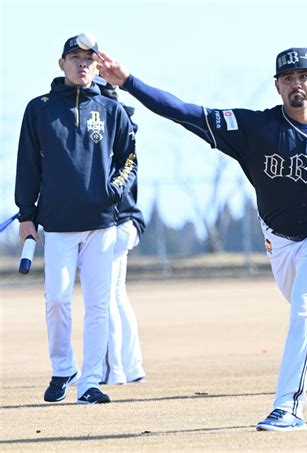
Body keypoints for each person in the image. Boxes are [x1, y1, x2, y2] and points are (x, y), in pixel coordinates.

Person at [96, 46, 307, 431]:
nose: (297, 84)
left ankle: (289, 407)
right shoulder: (254, 128)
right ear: (277, 86)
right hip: (280, 238)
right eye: (288, 79)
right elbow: (185, 112)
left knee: (305, 307)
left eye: (304, 76)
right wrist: (129, 83)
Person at [14, 34, 138, 404]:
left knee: (99, 304)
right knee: (57, 299)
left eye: (89, 59)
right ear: (62, 64)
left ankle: (90, 381)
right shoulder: (40, 109)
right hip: (57, 223)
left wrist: (113, 191)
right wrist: (26, 213)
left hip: (102, 222)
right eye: (75, 57)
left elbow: (128, 160)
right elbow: (27, 164)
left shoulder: (113, 110)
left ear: (98, 66)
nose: (83, 64)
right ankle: (63, 367)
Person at [95, 78, 147, 385]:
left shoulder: (108, 127)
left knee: (106, 297)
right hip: (128, 221)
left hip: (116, 222)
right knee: (117, 296)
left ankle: (113, 370)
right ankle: (132, 367)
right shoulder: (125, 123)